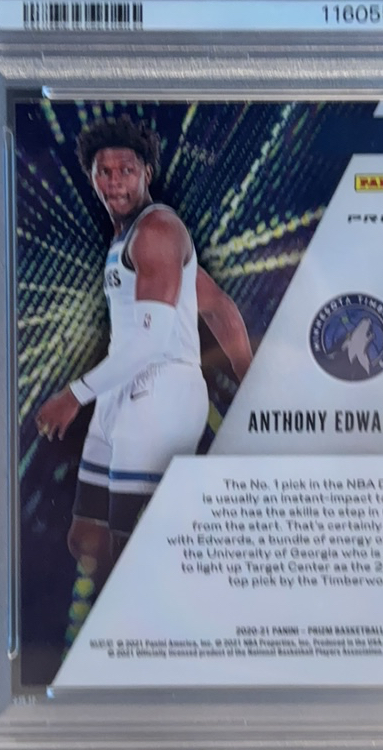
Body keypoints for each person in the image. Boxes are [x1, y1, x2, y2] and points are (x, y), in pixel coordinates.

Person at [35, 115, 252, 595]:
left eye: (126, 170)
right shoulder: (127, 236)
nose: (115, 181)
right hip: (124, 388)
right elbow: (216, 304)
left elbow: (152, 344)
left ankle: (171, 624)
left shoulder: (157, 231)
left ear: (147, 173)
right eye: (105, 171)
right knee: (86, 536)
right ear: (92, 177)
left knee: (134, 551)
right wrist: (253, 381)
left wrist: (74, 395)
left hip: (161, 392)